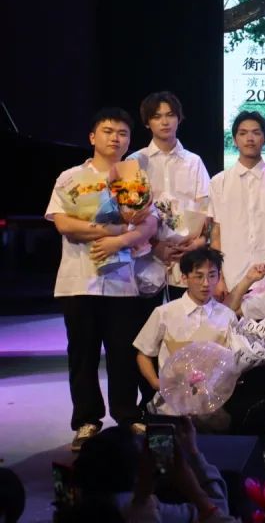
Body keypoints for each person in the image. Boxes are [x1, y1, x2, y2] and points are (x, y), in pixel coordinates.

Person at [47, 108, 160, 450]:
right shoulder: (71, 177)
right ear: (92, 137)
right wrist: (112, 231)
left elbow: (149, 224)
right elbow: (63, 223)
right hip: (78, 281)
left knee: (123, 354)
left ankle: (127, 416)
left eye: (123, 133)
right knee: (82, 354)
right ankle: (86, 420)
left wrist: (120, 241)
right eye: (108, 131)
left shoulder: (134, 177)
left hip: (122, 283)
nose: (116, 138)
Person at [70, 418, 236, 523]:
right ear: (137, 472)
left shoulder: (77, 508)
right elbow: (218, 510)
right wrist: (193, 452)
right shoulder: (143, 508)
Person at [129, 91, 211, 297]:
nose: (164, 122)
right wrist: (155, 246)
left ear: (179, 118)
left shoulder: (194, 162)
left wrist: (196, 244)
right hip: (145, 260)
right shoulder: (135, 162)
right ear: (147, 123)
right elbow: (128, 215)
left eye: (170, 115)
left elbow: (207, 209)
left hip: (187, 259)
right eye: (157, 116)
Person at [133, 248, 237, 404]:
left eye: (212, 275)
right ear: (184, 278)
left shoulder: (227, 316)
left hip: (214, 402)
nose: (206, 283)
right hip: (172, 402)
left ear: (219, 277)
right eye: (199, 276)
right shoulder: (165, 313)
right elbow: (143, 354)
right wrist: (156, 383)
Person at [209, 111, 265, 293]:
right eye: (243, 133)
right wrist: (219, 278)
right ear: (235, 140)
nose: (249, 138)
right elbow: (216, 233)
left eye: (256, 133)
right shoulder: (219, 182)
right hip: (232, 276)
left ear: (264, 138)